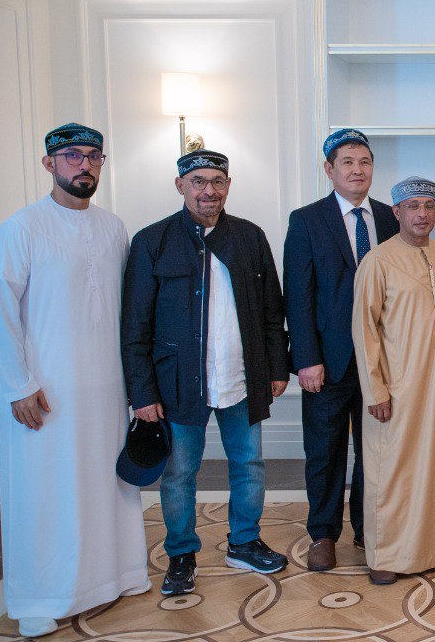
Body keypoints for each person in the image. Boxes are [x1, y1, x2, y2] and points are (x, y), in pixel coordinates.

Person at [0, 124, 149, 638]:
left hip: (106, 386)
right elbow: (1, 309)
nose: (84, 165)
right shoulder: (22, 227)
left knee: (107, 481)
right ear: (49, 164)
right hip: (46, 388)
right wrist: (18, 383)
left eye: (93, 156)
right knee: (47, 489)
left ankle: (115, 574)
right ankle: (39, 596)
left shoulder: (113, 227)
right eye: (73, 156)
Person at [122, 149, 290, 596]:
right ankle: (181, 553)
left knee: (249, 465)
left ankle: (245, 542)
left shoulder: (250, 237)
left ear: (228, 186)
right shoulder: (151, 241)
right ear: (180, 186)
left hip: (241, 378)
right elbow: (135, 325)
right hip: (177, 385)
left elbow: (272, 310)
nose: (208, 190)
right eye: (198, 181)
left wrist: (276, 367)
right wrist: (142, 393)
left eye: (217, 181)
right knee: (180, 474)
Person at [283, 129, 399, 570]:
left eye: (364, 161)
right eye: (347, 162)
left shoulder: (390, 218)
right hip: (328, 363)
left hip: (381, 362)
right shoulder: (306, 220)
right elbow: (298, 296)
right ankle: (323, 534)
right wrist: (306, 359)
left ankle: (370, 528)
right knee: (326, 451)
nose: (357, 170)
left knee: (376, 450)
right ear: (329, 170)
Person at [352, 176, 435, 583]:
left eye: (429, 206)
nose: (422, 214)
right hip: (397, 389)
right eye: (413, 206)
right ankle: (387, 556)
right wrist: (375, 390)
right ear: (397, 212)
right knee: (393, 472)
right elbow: (364, 330)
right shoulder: (378, 260)